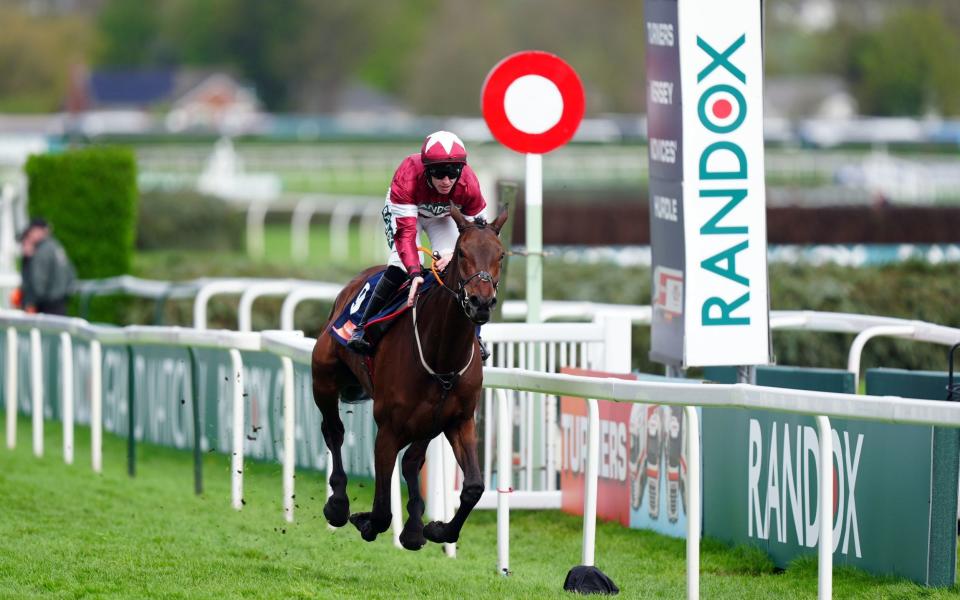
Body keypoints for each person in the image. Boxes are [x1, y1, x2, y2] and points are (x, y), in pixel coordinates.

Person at [347, 131, 490, 360]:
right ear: (427, 169)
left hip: (442, 217)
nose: (446, 181)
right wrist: (414, 273)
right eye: (440, 173)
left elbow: (478, 237)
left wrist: (454, 256)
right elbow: (406, 235)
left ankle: (476, 335)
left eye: (452, 173)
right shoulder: (408, 175)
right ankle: (362, 327)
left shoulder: (468, 184)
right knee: (402, 266)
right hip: (407, 214)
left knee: (462, 268)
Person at [18, 217, 76, 315]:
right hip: (60, 301)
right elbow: (71, 273)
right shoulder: (56, 246)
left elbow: (38, 283)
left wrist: (30, 302)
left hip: (47, 304)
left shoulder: (42, 250)